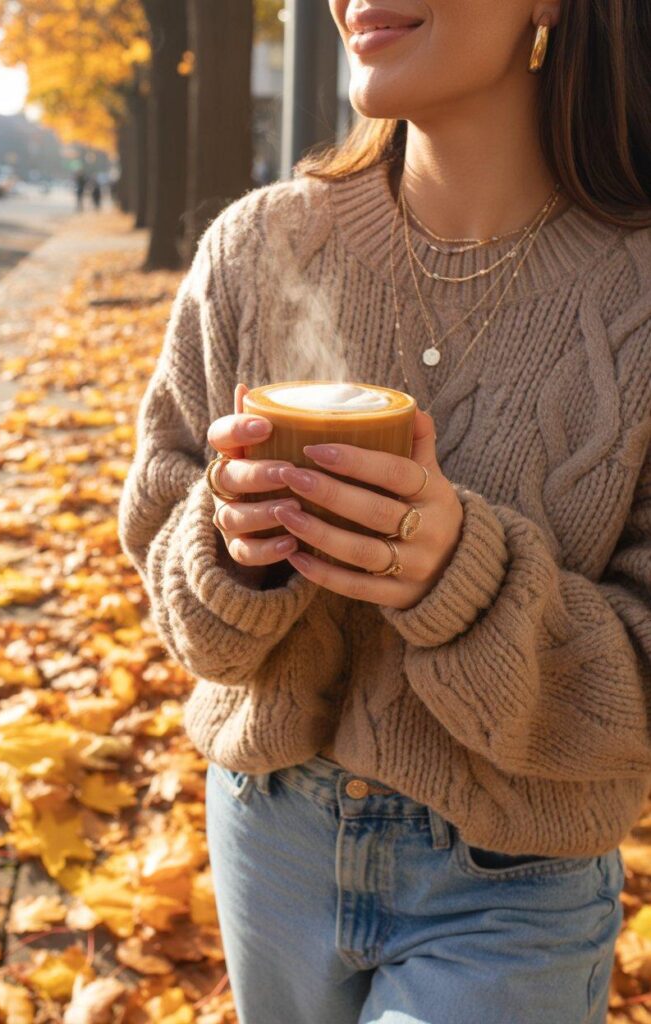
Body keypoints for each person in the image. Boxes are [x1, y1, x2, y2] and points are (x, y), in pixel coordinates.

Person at [118, 0, 650, 1021]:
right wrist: (233, 549)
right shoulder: (255, 248)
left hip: (514, 883)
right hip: (265, 834)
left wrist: (465, 579)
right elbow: (160, 544)